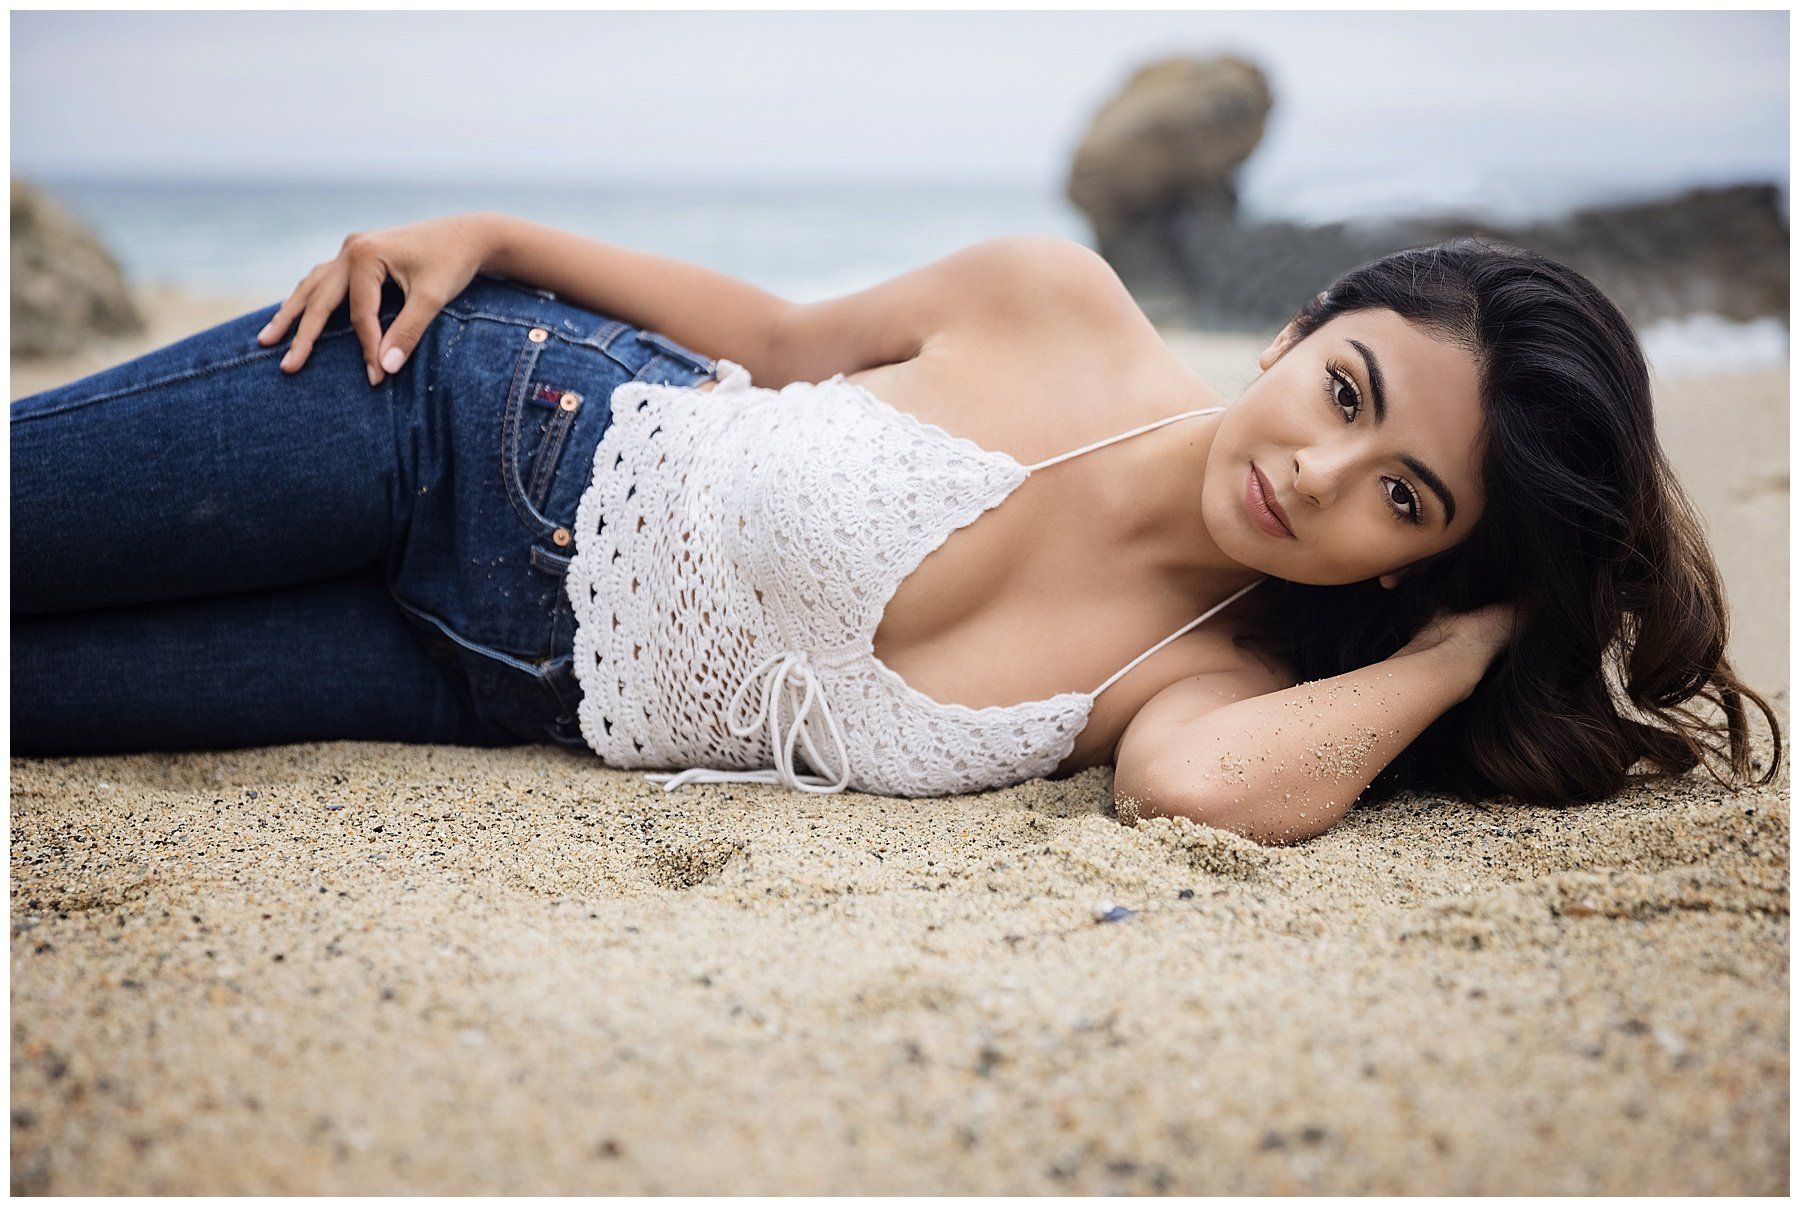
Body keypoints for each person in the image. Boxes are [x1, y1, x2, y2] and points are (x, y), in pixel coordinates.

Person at [11, 213, 1780, 844]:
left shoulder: (1210, 681)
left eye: (1407, 496)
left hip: (468, 680)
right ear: (1302, 333)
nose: (1323, 473)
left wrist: (1476, 641)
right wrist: (490, 227)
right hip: (456, 418)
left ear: (1417, 557)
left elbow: (1204, 798)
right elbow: (772, 340)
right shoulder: (1055, 303)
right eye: (1349, 392)